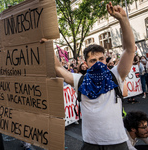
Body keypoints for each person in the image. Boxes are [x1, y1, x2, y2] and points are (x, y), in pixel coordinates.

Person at [53, 2, 135, 149]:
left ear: (106, 59)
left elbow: (129, 50)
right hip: (90, 144)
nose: (98, 63)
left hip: (117, 142)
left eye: (101, 59)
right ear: (86, 63)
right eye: (93, 60)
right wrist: (47, 43)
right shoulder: (80, 80)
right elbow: (57, 67)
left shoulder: (115, 75)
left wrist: (123, 19)